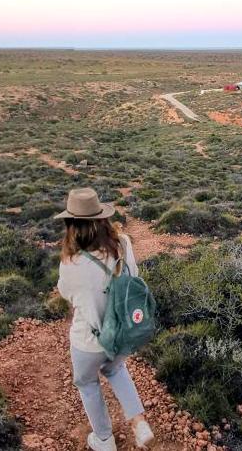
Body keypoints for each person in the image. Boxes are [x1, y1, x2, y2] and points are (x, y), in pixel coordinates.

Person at [55, 187, 155, 451]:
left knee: (87, 383)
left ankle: (103, 439)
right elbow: (133, 276)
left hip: (89, 340)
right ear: (102, 218)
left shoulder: (70, 263)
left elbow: (66, 293)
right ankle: (139, 422)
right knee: (116, 369)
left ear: (71, 225)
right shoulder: (123, 244)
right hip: (122, 333)